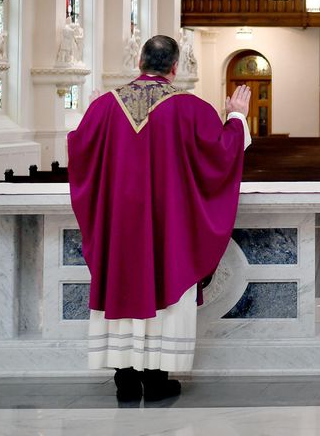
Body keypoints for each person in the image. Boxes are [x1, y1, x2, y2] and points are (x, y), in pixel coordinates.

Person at [67, 35, 252, 402]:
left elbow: (79, 148)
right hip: (169, 228)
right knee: (167, 281)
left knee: (123, 284)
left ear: (140, 63)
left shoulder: (105, 106)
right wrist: (236, 116)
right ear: (174, 68)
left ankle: (124, 377)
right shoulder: (190, 108)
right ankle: (156, 378)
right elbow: (222, 154)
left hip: (120, 229)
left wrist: (93, 117)